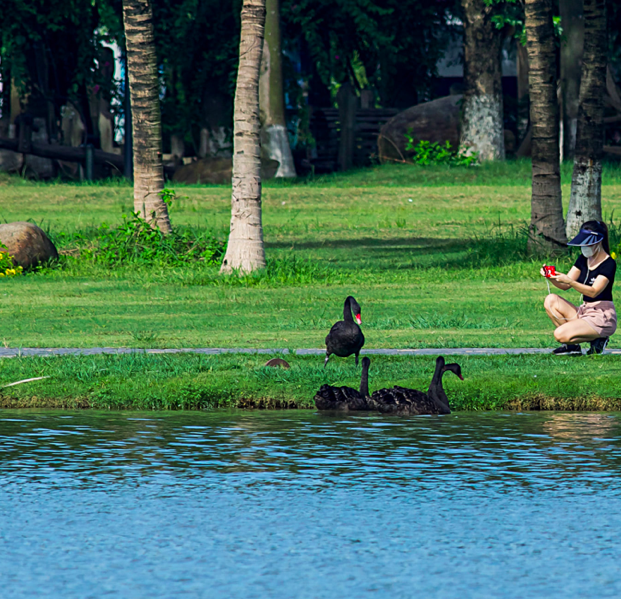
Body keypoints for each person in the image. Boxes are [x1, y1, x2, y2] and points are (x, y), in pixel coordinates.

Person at [542, 220, 617, 355]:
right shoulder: (583, 259)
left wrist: (571, 281)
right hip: (584, 310)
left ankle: (600, 338)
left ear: (598, 242)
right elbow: (564, 285)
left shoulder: (608, 263)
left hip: (601, 315)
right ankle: (573, 346)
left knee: (559, 334)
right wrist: (550, 277)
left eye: (588, 243)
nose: (584, 247)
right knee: (550, 300)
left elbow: (594, 291)